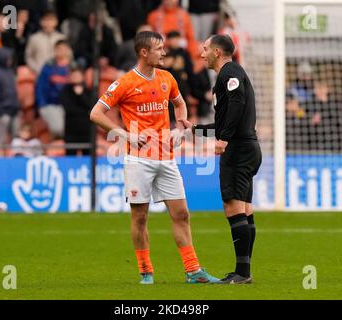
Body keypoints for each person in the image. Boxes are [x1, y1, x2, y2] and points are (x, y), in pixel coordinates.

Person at [90, 31, 220, 285]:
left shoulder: (167, 78)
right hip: (138, 160)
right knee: (140, 217)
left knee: (181, 213)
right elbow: (96, 113)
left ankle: (193, 271)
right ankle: (145, 271)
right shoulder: (125, 83)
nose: (163, 52)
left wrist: (181, 128)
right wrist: (124, 135)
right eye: (158, 49)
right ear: (143, 53)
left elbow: (180, 104)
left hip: (166, 157)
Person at [189, 35, 262, 284]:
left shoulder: (229, 72)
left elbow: (238, 101)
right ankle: (244, 271)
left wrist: (224, 140)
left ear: (218, 52)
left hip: (239, 149)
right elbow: (225, 121)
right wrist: (196, 130)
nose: (202, 54)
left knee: (233, 207)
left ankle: (242, 274)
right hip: (248, 146)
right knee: (244, 208)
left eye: (205, 49)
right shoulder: (231, 73)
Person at [35, 40, 72, 140]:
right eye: (58, 49)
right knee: (58, 129)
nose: (61, 52)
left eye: (63, 49)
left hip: (70, 106)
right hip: (51, 104)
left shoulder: (74, 67)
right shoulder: (48, 67)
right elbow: (40, 88)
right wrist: (41, 105)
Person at [61, 66, 92, 155]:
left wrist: (81, 95)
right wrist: (84, 112)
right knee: (70, 154)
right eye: (73, 76)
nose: (75, 78)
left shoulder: (88, 91)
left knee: (88, 156)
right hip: (71, 129)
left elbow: (92, 106)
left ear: (82, 77)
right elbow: (68, 108)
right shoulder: (65, 91)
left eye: (77, 76)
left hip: (86, 129)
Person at [25, 10, 65, 74]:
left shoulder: (61, 38)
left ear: (56, 22)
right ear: (41, 22)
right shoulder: (34, 38)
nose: (48, 23)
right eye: (46, 20)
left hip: (58, 74)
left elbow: (68, 56)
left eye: (51, 20)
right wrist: (36, 69)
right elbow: (28, 56)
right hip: (39, 73)